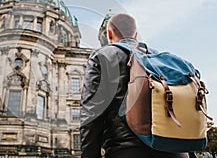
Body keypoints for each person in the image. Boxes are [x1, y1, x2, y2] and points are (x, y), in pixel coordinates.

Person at [80, 13, 191, 158]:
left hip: (127, 150)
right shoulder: (164, 59)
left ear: (109, 34)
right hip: (177, 151)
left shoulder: (103, 55)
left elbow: (92, 112)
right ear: (136, 34)